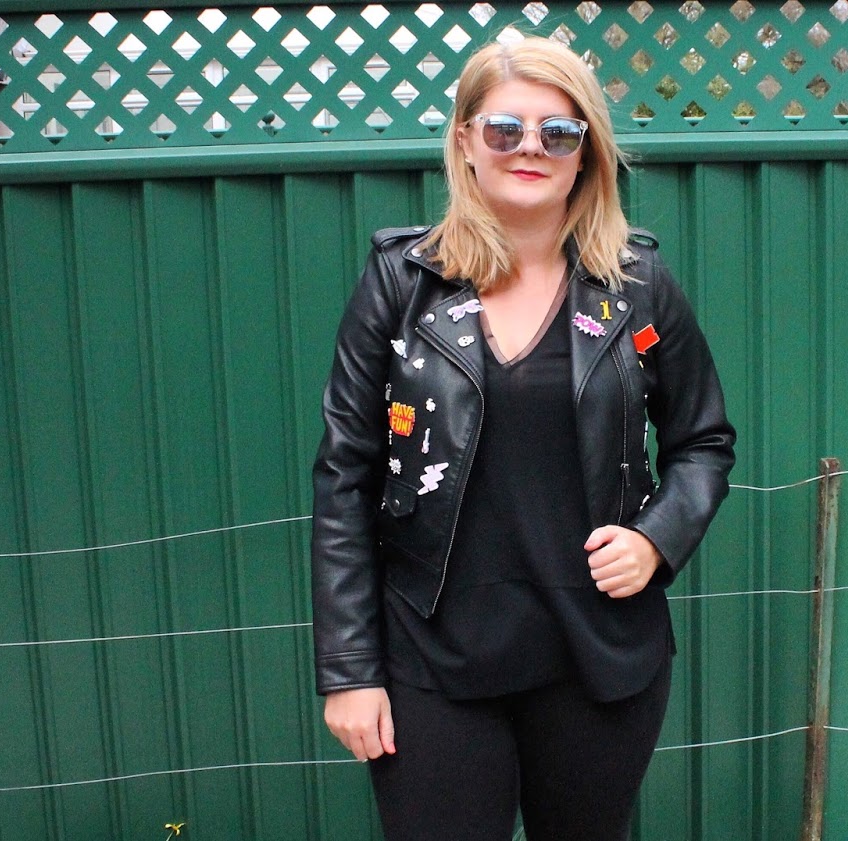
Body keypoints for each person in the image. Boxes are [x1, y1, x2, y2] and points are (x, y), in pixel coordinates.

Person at [310, 34, 736, 841]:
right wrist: (349, 668)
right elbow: (344, 475)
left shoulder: (638, 288)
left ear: (587, 153)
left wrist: (657, 538)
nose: (531, 147)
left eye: (559, 131)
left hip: (596, 655)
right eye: (505, 128)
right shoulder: (402, 285)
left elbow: (703, 441)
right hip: (430, 656)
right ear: (466, 141)